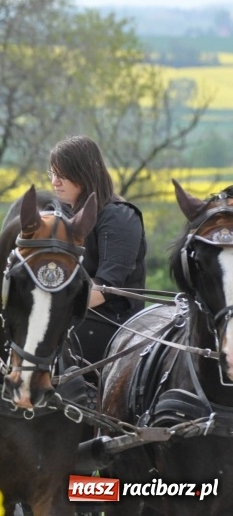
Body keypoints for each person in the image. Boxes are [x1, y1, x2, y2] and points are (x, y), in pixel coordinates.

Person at [48, 135, 147, 366]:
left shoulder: (119, 217)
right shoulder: (57, 214)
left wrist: (52, 306)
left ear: (84, 174)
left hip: (110, 322)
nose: (55, 182)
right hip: (68, 313)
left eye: (62, 175)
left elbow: (106, 287)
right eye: (52, 173)